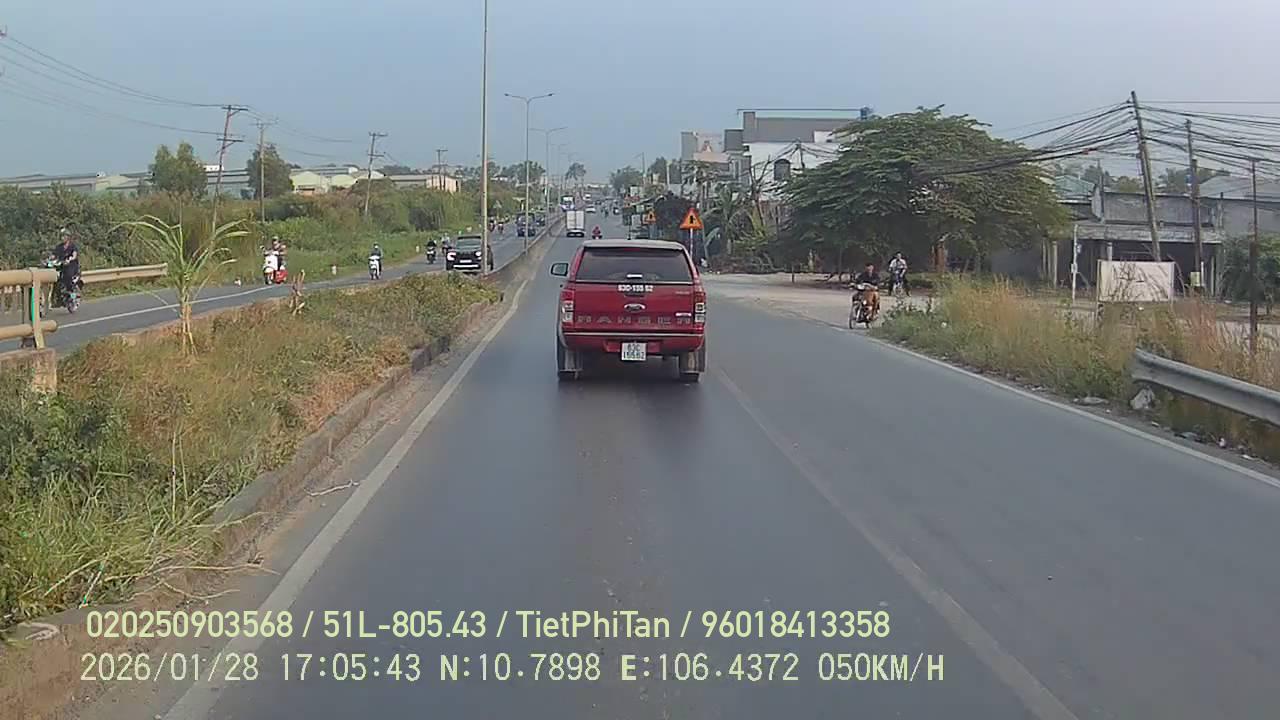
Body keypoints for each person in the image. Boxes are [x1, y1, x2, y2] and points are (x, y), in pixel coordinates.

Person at [52, 227, 81, 297]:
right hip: (61, 266)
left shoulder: (72, 246)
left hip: (71, 266)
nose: (62, 238)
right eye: (61, 236)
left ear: (68, 237)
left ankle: (71, 291)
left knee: (68, 275)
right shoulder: (59, 247)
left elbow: (74, 255)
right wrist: (50, 259)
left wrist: (70, 259)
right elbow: (54, 255)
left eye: (64, 236)